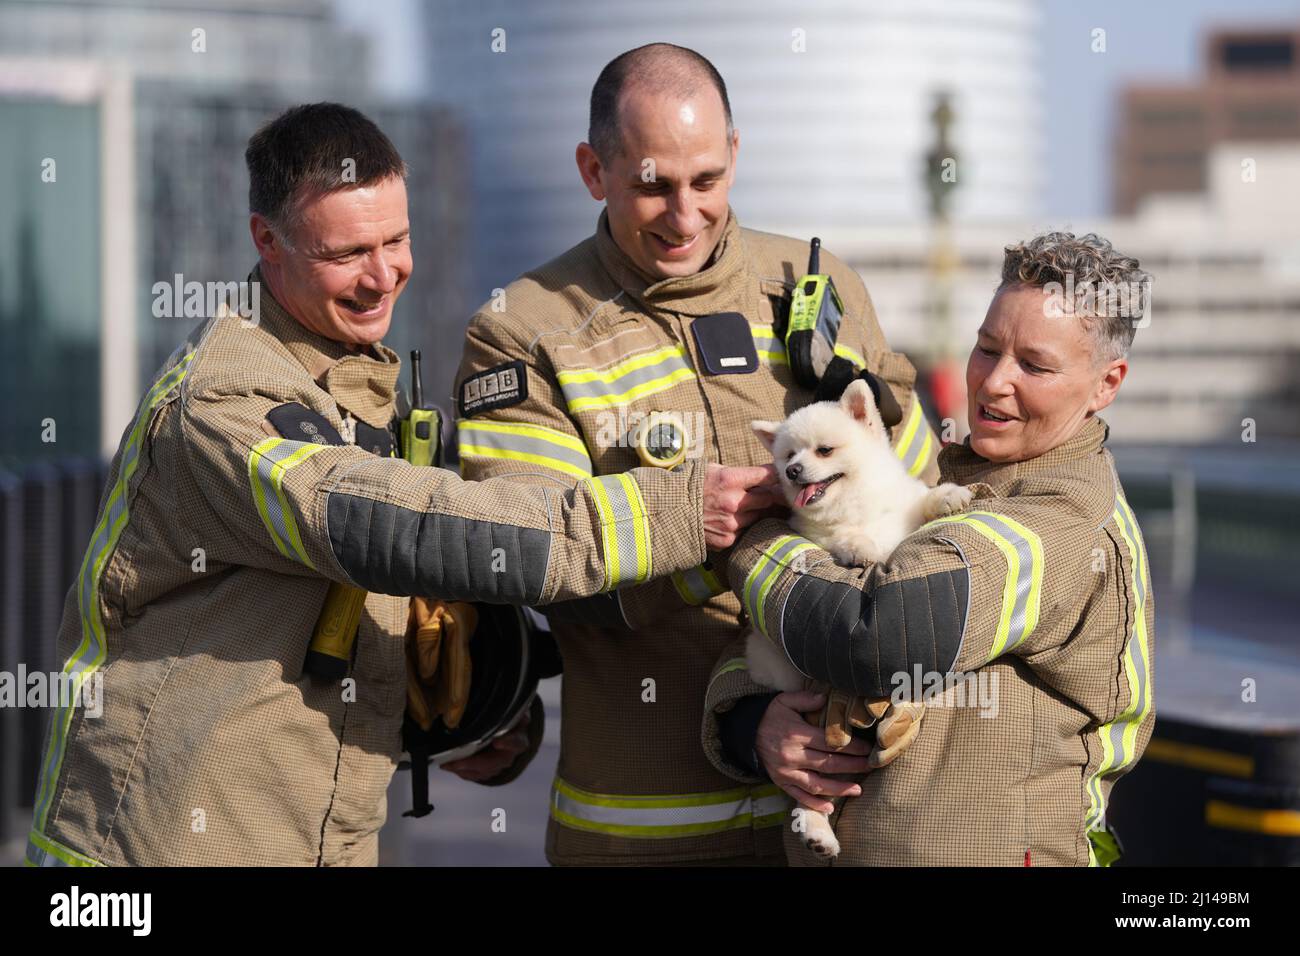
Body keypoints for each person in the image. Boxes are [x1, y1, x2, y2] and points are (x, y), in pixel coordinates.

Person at [25, 102, 767, 868]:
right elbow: (391, 529)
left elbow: (344, 613)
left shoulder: (354, 377)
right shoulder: (221, 405)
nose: (383, 277)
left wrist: (479, 715)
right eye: (347, 252)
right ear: (265, 241)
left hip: (319, 839)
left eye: (398, 240)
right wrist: (677, 509)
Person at [453, 44, 941, 866]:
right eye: (651, 185)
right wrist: (692, 538)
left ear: (736, 155)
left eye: (707, 181)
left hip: (849, 818)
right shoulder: (521, 330)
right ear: (591, 169)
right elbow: (529, 563)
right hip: (648, 831)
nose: (685, 216)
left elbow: (919, 506)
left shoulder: (825, 290)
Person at [705, 232, 1156, 866]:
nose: (995, 382)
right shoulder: (958, 480)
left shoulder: (1062, 522)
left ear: (1106, 384)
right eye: (987, 347)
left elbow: (876, 634)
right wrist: (759, 720)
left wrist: (749, 537)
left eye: (1035, 365)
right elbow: (769, 635)